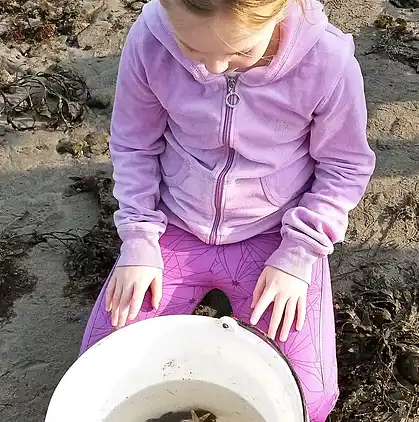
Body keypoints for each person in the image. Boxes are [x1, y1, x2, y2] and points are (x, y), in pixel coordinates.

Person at [78, 0, 375, 419]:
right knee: (101, 369)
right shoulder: (150, 40)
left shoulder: (327, 61)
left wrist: (298, 256)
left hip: (273, 235)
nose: (215, 68)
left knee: (307, 400)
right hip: (175, 224)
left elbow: (344, 166)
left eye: (239, 51)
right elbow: (134, 145)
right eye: (192, 49)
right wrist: (139, 239)